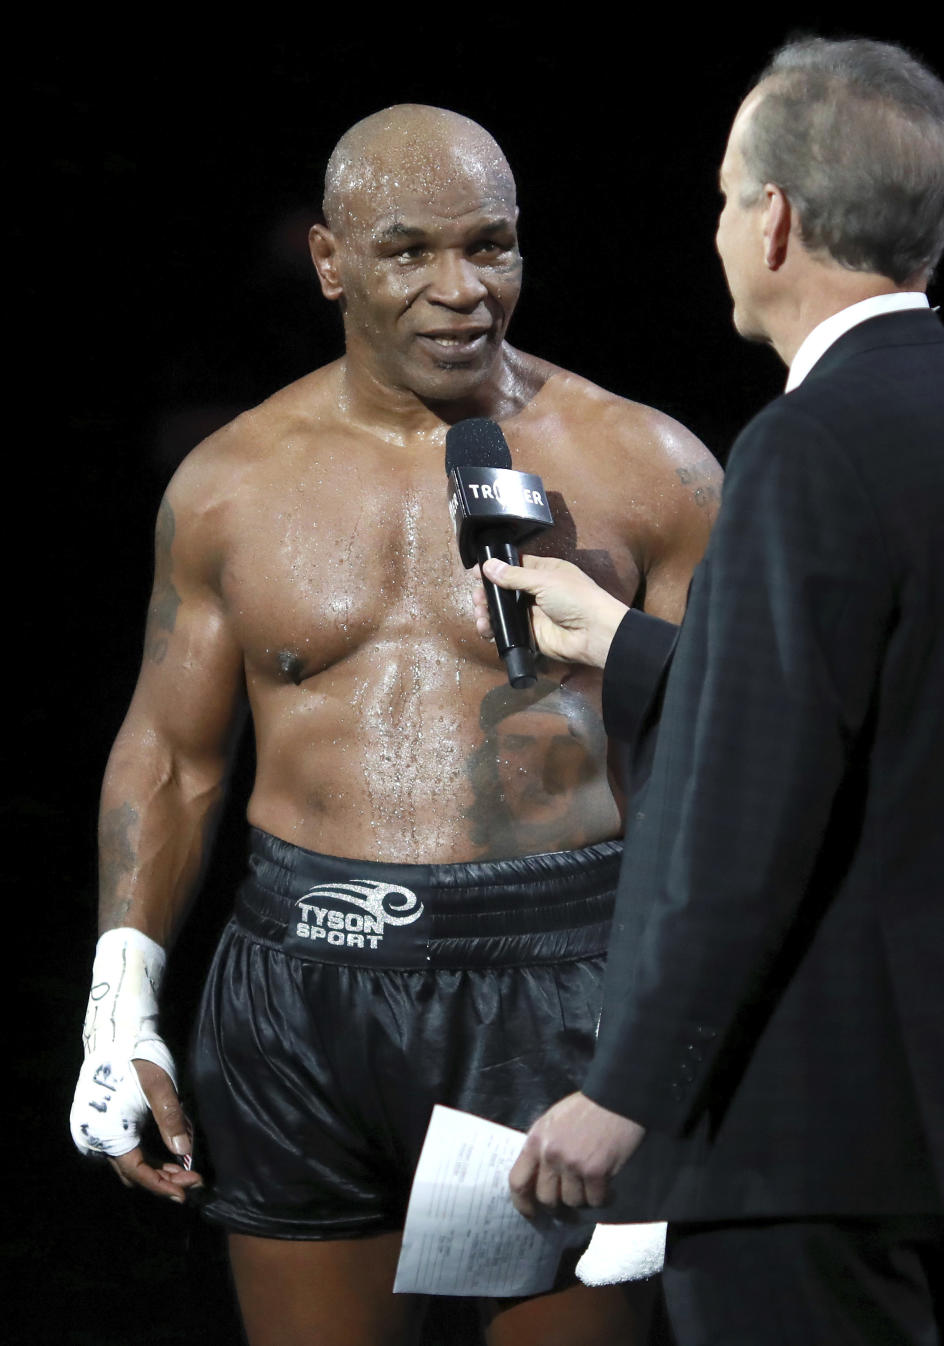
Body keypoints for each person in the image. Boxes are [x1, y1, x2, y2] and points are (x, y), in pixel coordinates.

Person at [68, 103, 721, 1346]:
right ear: (330, 262)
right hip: (300, 989)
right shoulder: (231, 483)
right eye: (411, 250)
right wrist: (119, 1000)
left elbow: (753, 749)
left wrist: (697, 1034)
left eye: (493, 246)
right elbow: (174, 752)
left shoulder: (650, 466)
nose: (462, 289)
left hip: (559, 980)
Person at [477, 36, 944, 1346]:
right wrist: (631, 645)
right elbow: (884, 721)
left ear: (778, 219)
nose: (723, 222)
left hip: (814, 1140)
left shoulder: (806, 443)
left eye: (729, 193)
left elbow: (757, 808)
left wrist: (629, 1087)